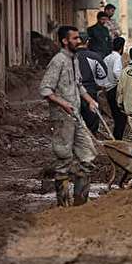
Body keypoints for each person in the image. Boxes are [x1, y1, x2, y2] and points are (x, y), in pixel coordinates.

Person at [39, 25, 100, 207]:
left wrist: (89, 100)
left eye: (78, 38)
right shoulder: (58, 61)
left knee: (88, 154)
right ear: (65, 41)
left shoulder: (74, 59)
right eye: (74, 38)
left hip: (76, 115)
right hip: (62, 117)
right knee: (64, 158)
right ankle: (64, 205)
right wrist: (63, 103)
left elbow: (78, 85)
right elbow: (45, 89)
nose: (78, 41)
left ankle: (80, 203)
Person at [76, 39, 108, 134]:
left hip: (72, 91)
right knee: (91, 119)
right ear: (87, 42)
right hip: (90, 90)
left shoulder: (69, 56)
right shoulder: (94, 56)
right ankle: (92, 142)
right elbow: (102, 74)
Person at [101, 36, 127, 140]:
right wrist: (123, 82)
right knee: (121, 118)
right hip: (115, 89)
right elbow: (117, 72)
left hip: (108, 90)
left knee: (116, 117)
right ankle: (118, 140)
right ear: (121, 47)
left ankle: (116, 139)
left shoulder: (106, 58)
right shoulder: (117, 58)